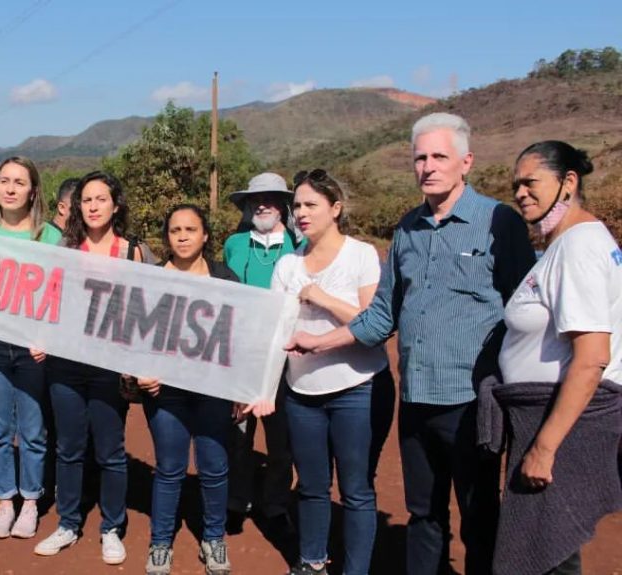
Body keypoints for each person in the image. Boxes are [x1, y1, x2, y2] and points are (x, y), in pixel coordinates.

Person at [287, 113, 536, 575]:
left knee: (479, 515)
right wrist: (319, 342)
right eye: (420, 157)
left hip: (471, 400)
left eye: (439, 156)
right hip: (417, 397)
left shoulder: (499, 221)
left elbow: (525, 308)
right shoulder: (407, 229)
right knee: (423, 515)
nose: (428, 166)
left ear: (466, 162)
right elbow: (382, 314)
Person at [489, 141, 621, 575]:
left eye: (531, 182)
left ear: (568, 182)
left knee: (547, 555)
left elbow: (591, 358)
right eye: (516, 185)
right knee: (546, 549)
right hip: (550, 420)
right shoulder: (568, 243)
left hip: (561, 426)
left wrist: (545, 448)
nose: (520, 193)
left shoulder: (578, 247)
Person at [266, 169, 391, 575]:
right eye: (296, 206)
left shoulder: (361, 255)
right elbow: (274, 329)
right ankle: (312, 561)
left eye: (310, 205)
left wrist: (322, 298)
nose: (301, 213)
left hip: (358, 388)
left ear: (335, 208)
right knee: (312, 486)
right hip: (302, 392)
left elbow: (374, 324)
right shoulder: (287, 265)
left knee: (356, 489)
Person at [33, 171, 155, 565]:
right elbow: (49, 298)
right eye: (86, 200)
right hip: (66, 364)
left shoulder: (134, 251)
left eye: (101, 199)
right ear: (77, 207)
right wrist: (40, 335)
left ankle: (111, 527)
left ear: (115, 205)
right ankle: (68, 523)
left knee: (110, 450)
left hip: (110, 366)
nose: (93, 206)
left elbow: (152, 304)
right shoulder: (66, 249)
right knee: (69, 448)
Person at [137, 204, 235, 575]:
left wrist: (242, 387)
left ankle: (214, 538)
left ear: (205, 235)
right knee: (169, 469)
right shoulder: (150, 278)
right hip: (166, 394)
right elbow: (134, 335)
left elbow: (241, 336)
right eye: (175, 230)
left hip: (213, 391)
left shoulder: (225, 278)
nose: (182, 236)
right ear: (167, 237)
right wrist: (140, 372)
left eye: (190, 229)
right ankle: (160, 543)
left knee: (214, 468)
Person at [0, 156, 61, 539]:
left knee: (33, 430)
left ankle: (31, 502)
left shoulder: (50, 236)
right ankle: (5, 500)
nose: (10, 188)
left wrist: (49, 338)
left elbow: (61, 292)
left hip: (32, 350)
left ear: (32, 191)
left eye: (19, 182)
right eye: (4, 180)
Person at [222, 172, 298, 532]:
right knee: (237, 432)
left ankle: (276, 503)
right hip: (241, 354)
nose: (262, 205)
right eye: (255, 200)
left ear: (283, 205)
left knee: (281, 436)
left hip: (286, 357)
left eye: (270, 199)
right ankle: (236, 500)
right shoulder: (234, 244)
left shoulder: (299, 245)